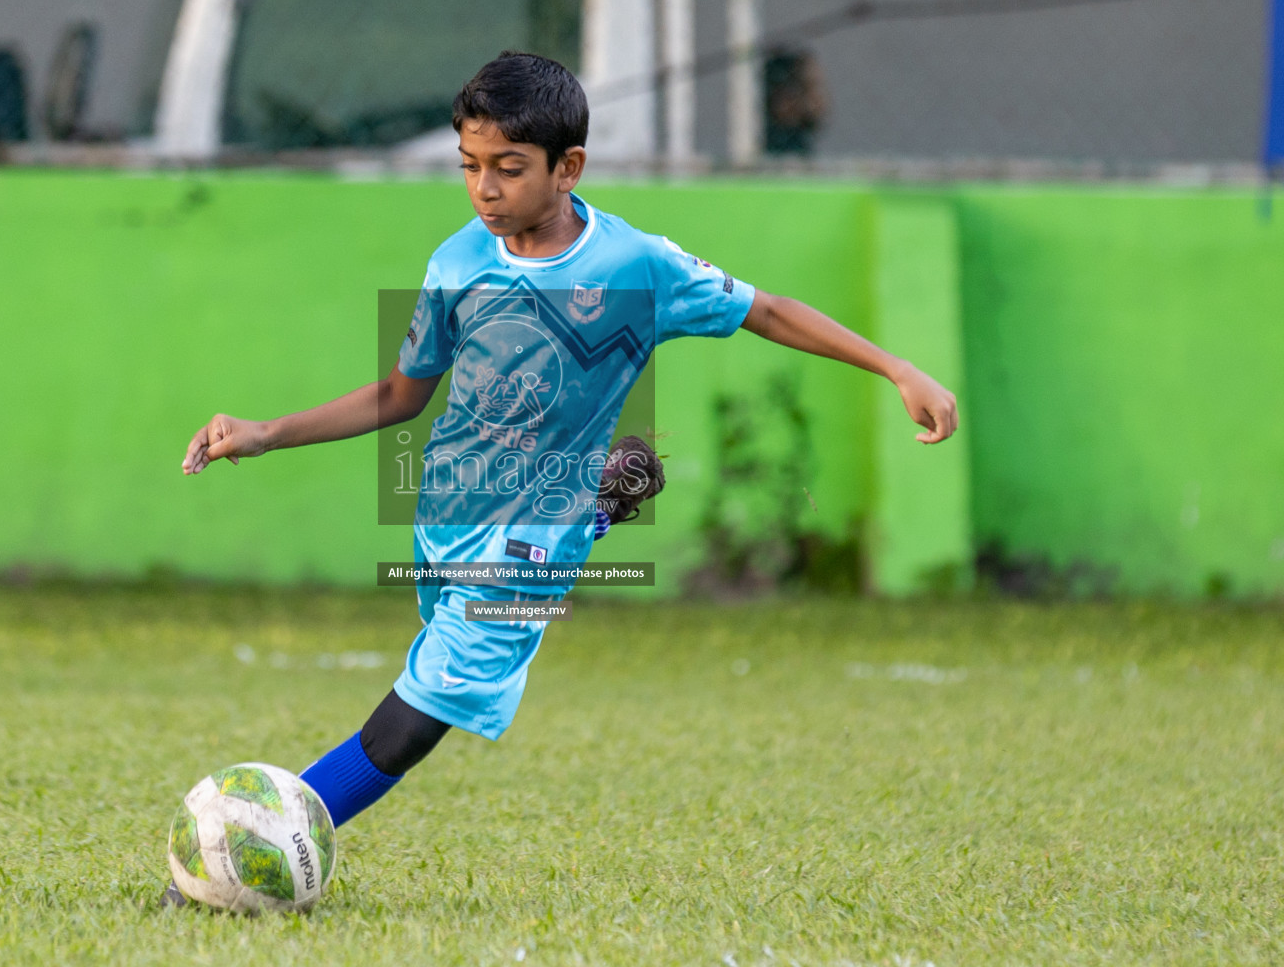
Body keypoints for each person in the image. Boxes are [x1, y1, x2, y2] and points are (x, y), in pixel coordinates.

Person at [167, 52, 956, 903]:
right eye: (469, 167)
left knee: (423, 709)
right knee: (438, 657)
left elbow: (764, 309)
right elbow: (401, 394)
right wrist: (267, 433)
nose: (485, 189)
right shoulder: (457, 262)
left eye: (508, 169)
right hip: (447, 517)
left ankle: (255, 847)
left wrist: (896, 367)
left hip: (524, 545)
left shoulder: (635, 267)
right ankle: (605, 497)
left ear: (566, 167)